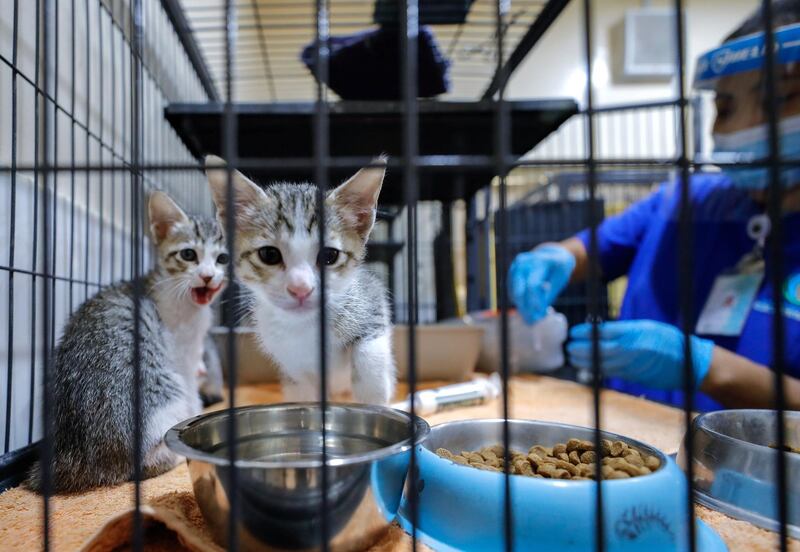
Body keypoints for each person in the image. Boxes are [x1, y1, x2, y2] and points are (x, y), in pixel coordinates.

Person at [509, 1, 800, 411]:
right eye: (722, 106)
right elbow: (595, 248)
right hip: (626, 448)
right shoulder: (685, 200)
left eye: (780, 99)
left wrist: (708, 368)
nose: (724, 129)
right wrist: (551, 257)